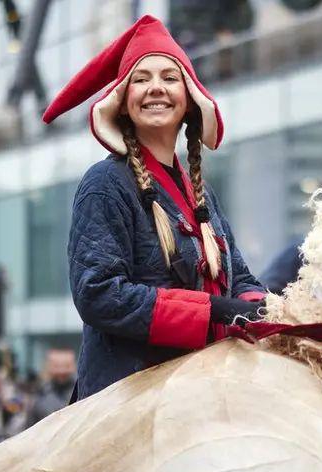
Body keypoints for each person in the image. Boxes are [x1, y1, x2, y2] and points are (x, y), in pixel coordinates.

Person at [43, 15, 266, 400]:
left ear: (189, 99)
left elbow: (241, 279)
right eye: (141, 79)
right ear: (124, 102)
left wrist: (262, 309)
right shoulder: (104, 184)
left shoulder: (203, 195)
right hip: (128, 401)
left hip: (201, 387)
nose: (155, 88)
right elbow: (98, 294)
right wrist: (210, 311)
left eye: (168, 77)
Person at [28, 349, 77, 426]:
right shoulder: (40, 394)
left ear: (73, 367)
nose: (62, 371)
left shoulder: (82, 392)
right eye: (56, 366)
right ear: (49, 367)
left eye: (66, 366)